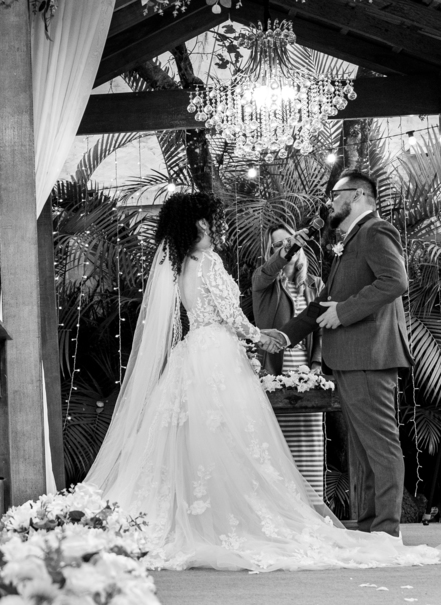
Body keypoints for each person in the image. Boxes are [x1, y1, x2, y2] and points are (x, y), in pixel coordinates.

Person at [85, 191, 438, 571]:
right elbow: (232, 317)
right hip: (218, 354)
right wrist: (260, 335)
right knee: (232, 438)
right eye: (206, 224)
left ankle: (200, 516)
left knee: (195, 439)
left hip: (192, 355)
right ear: (195, 227)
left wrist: (270, 334)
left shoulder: (178, 266)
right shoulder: (209, 262)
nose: (212, 230)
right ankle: (228, 517)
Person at [267, 171, 414, 537]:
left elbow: (395, 281)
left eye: (335, 195)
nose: (329, 202)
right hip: (351, 358)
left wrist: (344, 311)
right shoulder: (350, 240)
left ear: (360, 195)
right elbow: (321, 304)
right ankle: (369, 530)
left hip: (370, 355)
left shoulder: (376, 231)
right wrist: (283, 338)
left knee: (379, 445)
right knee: (362, 450)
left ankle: (386, 532)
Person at [251, 223, 331, 520]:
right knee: (274, 451)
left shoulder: (316, 285)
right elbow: (268, 270)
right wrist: (287, 249)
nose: (288, 248)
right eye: (279, 245)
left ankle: (314, 517)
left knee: (309, 449)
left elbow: (322, 329)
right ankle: (280, 519)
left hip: (307, 379)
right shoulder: (263, 283)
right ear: (272, 252)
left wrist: (316, 365)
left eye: (292, 242)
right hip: (273, 379)